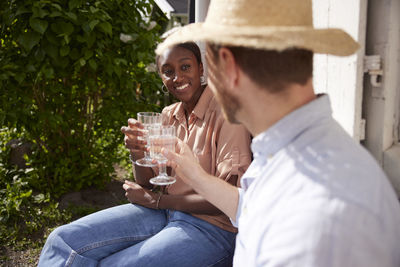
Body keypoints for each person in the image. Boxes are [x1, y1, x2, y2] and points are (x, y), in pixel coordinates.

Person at [157, 0, 400, 266]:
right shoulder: (297, 151)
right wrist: (196, 175)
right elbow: (252, 205)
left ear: (228, 65)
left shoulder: (312, 214)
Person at [37, 41, 252, 267]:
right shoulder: (169, 115)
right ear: (161, 77)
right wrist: (136, 153)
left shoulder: (227, 112)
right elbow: (149, 183)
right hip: (166, 213)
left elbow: (229, 200)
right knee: (61, 241)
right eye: (168, 71)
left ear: (200, 68)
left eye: (185, 67)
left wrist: (158, 201)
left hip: (212, 228)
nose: (177, 77)